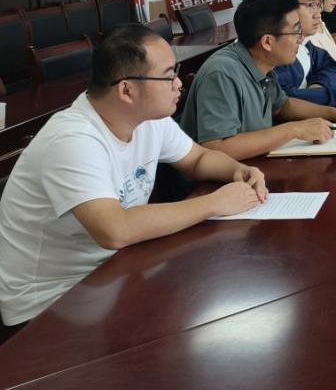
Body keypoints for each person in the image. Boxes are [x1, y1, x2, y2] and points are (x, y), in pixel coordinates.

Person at [0, 25, 268, 327]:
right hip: (49, 303)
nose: (179, 84)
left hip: (114, 271)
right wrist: (215, 203)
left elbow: (198, 158)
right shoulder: (72, 140)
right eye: (168, 76)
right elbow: (115, 230)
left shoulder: (148, 118)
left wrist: (238, 170)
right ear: (127, 90)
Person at [178, 0, 336, 160]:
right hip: (216, 184)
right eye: (296, 31)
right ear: (268, 42)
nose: (301, 38)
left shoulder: (262, 63)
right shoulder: (222, 73)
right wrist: (294, 130)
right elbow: (217, 147)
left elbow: (282, 106)